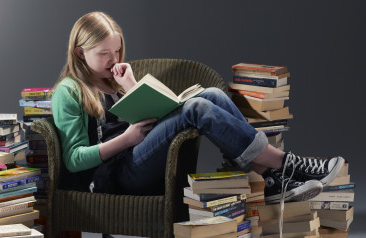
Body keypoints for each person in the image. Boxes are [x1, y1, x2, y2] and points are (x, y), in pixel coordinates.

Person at [50, 11, 345, 204]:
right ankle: (286, 164)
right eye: (104, 54)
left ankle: (266, 178)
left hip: (137, 159)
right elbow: (74, 160)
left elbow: (148, 119)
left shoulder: (114, 80)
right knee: (197, 109)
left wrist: (131, 87)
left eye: (117, 51)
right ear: (80, 52)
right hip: (109, 179)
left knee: (212, 94)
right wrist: (127, 138)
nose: (114, 60)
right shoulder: (69, 91)